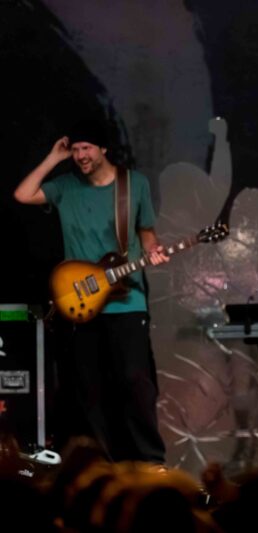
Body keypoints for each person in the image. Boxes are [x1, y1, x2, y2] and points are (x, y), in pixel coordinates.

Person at [13, 119, 168, 464]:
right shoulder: (65, 186)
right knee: (89, 388)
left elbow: (146, 234)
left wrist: (154, 250)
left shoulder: (134, 184)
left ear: (103, 149)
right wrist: (54, 158)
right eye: (76, 149)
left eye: (87, 148)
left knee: (135, 381)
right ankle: (102, 465)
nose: (80, 155)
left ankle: (149, 462)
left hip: (127, 301)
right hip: (80, 302)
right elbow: (22, 194)